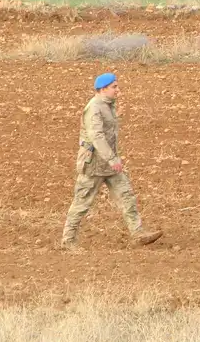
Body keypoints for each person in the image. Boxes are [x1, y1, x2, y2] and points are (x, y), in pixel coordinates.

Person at [60, 73, 162, 249]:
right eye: (114, 87)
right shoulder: (94, 108)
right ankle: (68, 241)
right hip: (94, 164)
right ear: (103, 89)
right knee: (82, 202)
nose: (118, 91)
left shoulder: (108, 106)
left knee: (126, 195)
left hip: (109, 165)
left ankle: (138, 233)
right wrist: (112, 158)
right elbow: (96, 136)